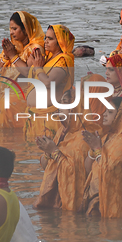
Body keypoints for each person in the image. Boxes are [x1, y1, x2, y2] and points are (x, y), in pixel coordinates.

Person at [34, 75, 107, 211]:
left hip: (74, 207)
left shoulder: (84, 137)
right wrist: (46, 150)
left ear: (75, 109)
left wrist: (55, 152)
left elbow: (75, 175)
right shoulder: (62, 132)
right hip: (56, 202)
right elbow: (46, 168)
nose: (58, 109)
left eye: (64, 104)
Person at [80, 97, 122, 218]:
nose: (104, 114)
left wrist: (97, 149)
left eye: (110, 112)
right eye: (105, 111)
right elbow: (88, 168)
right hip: (98, 201)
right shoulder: (109, 137)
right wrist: (93, 149)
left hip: (120, 207)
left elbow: (108, 172)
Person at [0, 11, 45, 128]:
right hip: (12, 91)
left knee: (7, 102)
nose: (11, 32)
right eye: (10, 29)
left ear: (25, 29)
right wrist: (6, 57)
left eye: (15, 29)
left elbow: (28, 73)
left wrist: (13, 57)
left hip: (29, 92)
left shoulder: (36, 48)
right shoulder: (14, 46)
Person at [23, 24, 75, 141]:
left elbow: (48, 83)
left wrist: (38, 68)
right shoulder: (47, 59)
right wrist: (33, 63)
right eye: (45, 38)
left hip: (49, 119)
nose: (45, 41)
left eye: (50, 39)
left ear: (60, 42)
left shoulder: (62, 61)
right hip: (34, 117)